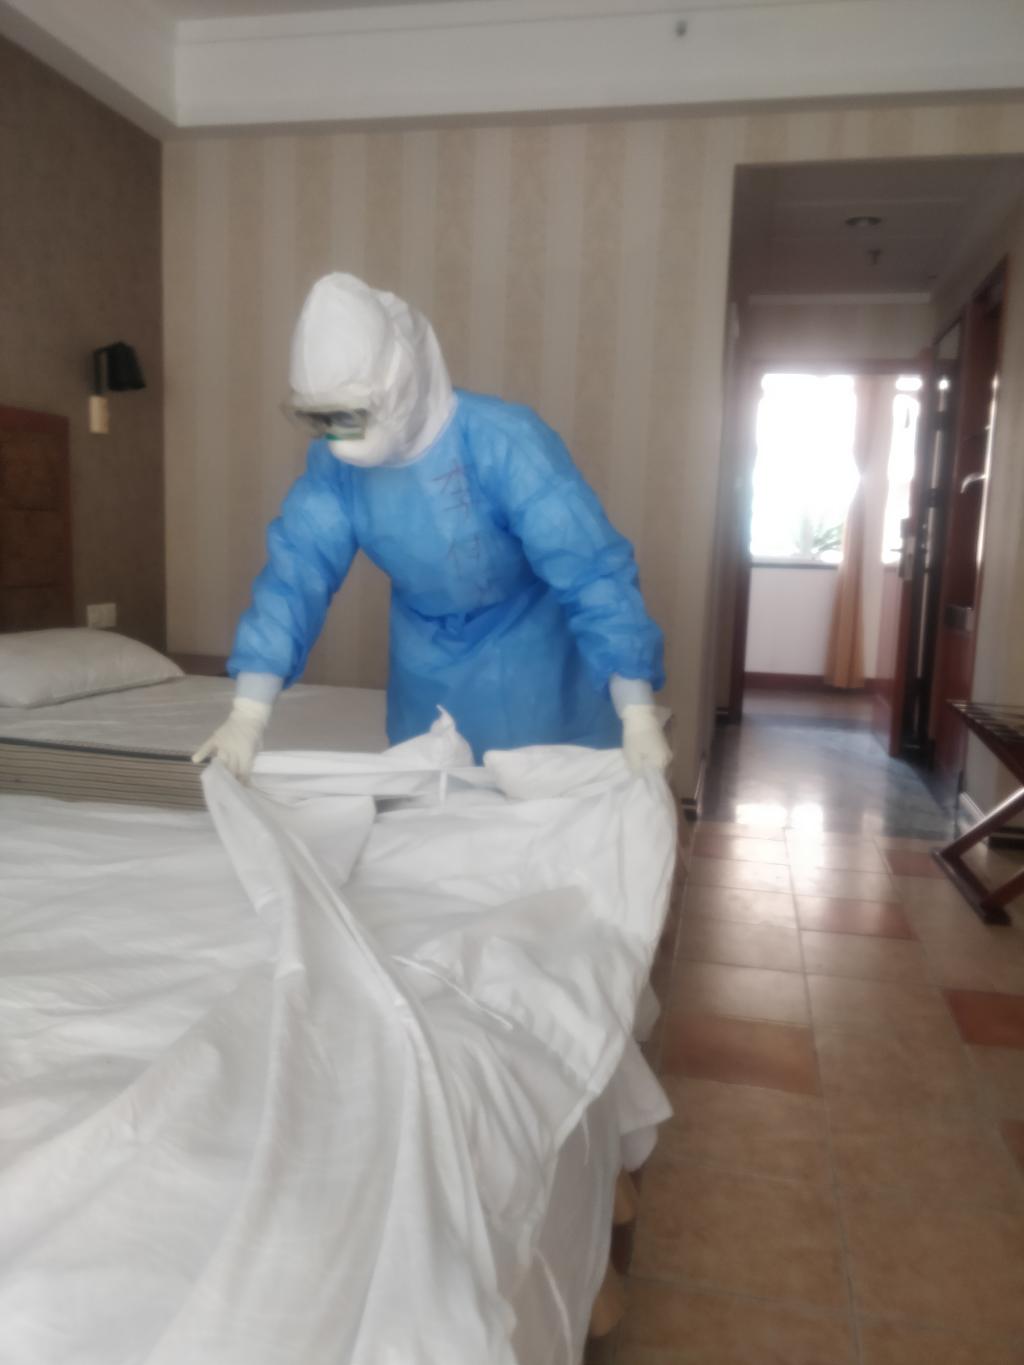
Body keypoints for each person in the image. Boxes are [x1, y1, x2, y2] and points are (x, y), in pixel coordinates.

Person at [194, 273, 670, 781]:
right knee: (429, 803)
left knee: (537, 808)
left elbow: (591, 569)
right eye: (323, 419)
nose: (338, 436)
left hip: (535, 663)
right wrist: (248, 714)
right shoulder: (335, 468)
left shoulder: (503, 440)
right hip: (424, 667)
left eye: (350, 414)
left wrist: (637, 713)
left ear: (396, 382)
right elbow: (294, 576)